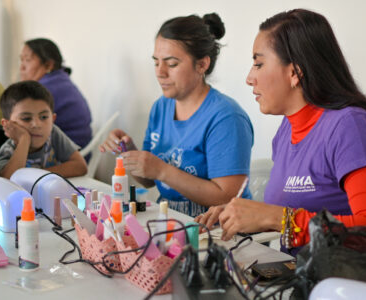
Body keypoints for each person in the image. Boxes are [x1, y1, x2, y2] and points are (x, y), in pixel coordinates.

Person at [196, 9, 366, 256]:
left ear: (294, 73)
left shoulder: (351, 127)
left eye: (258, 63)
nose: (249, 78)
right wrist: (243, 215)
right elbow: (291, 216)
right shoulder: (287, 128)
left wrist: (276, 218)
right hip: (297, 278)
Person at [100, 13, 254, 217]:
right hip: (170, 220)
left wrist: (162, 170)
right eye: (156, 62)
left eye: (171, 64)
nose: (160, 72)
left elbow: (227, 197)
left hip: (217, 229)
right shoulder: (161, 108)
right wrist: (128, 152)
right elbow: (150, 179)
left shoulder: (226, 118)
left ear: (202, 64)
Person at [0, 80, 87, 179]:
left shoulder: (53, 134)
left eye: (44, 117)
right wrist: (24, 139)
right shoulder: (6, 153)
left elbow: (81, 166)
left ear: (53, 119)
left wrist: (37, 176)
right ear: (7, 124)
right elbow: (9, 181)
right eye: (26, 118)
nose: (36, 124)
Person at [19, 38, 92, 148]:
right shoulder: (59, 80)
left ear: (48, 65)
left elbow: (22, 127)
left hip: (68, 155)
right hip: (80, 150)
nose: (22, 67)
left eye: (28, 60)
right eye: (21, 60)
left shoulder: (45, 89)